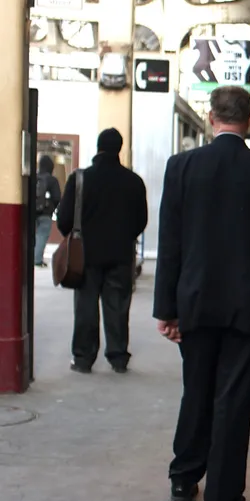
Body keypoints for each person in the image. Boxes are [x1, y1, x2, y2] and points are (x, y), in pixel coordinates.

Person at [153, 85, 250, 501]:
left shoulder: (181, 167)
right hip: (249, 310)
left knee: (196, 389)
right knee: (233, 403)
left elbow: (170, 244)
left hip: (195, 304)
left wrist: (166, 309)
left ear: (212, 118)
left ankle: (183, 479)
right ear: (249, 120)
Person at [57, 129, 148, 374]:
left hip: (85, 256)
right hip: (120, 255)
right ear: (119, 149)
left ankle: (84, 358)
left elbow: (64, 220)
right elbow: (141, 221)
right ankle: (118, 357)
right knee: (117, 306)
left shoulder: (80, 179)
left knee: (85, 307)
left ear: (98, 148)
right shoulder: (134, 181)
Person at [33, 155, 61, 267]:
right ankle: (37, 259)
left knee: (31, 236)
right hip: (46, 214)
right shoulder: (52, 180)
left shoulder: (34, 178)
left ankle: (30, 257)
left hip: (33, 212)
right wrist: (52, 208)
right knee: (42, 235)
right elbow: (57, 197)